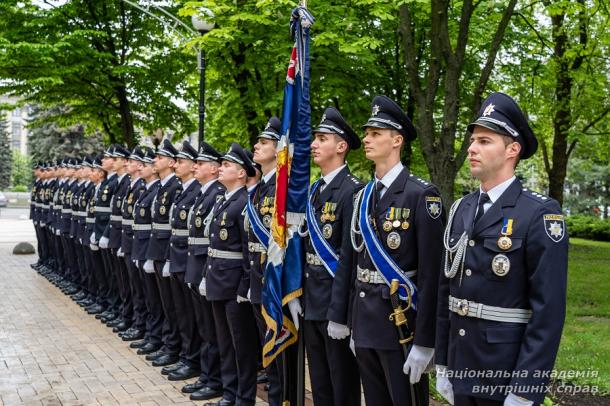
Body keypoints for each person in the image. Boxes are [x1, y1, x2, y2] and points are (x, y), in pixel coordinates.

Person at [435, 92, 568, 406]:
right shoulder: (461, 209)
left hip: (504, 373)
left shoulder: (538, 214)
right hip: (461, 364)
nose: (471, 148)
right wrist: (443, 362)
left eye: (484, 141)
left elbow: (548, 313)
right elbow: (447, 293)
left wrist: (526, 389)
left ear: (512, 150)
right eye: (472, 141)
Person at [350, 95, 445, 405]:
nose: (366, 139)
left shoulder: (421, 195)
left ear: (397, 140)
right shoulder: (363, 196)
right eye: (366, 133)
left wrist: (425, 342)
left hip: (401, 325)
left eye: (375, 133)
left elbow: (432, 276)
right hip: (366, 321)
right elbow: (357, 265)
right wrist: (354, 323)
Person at [301, 107, 363, 406]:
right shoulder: (315, 191)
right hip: (313, 299)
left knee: (343, 386)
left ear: (341, 147)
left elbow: (350, 261)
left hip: (334, 306)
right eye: (314, 138)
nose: (313, 144)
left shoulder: (352, 192)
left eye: (321, 138)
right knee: (321, 382)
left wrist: (340, 314)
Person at [203, 142, 258, 406]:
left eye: (226, 165)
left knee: (241, 346)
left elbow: (248, 252)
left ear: (240, 174)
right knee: (224, 342)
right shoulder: (223, 200)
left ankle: (244, 398)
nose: (221, 169)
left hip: (234, 284)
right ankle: (229, 393)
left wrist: (245, 287)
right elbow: (214, 245)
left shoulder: (244, 202)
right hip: (217, 279)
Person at [166, 141, 203, 381]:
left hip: (191, 261)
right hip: (179, 257)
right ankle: (186, 356)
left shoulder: (198, 191)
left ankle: (192, 360)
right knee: (181, 312)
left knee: (191, 316)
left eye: (181, 161)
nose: (176, 165)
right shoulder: (184, 190)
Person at [144, 139, 183, 368]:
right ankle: (167, 344)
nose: (155, 161)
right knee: (165, 304)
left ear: (170, 161)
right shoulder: (162, 187)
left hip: (169, 254)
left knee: (174, 307)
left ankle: (173, 347)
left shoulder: (174, 187)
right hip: (158, 251)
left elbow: (172, 228)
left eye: (159, 158)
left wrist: (167, 257)